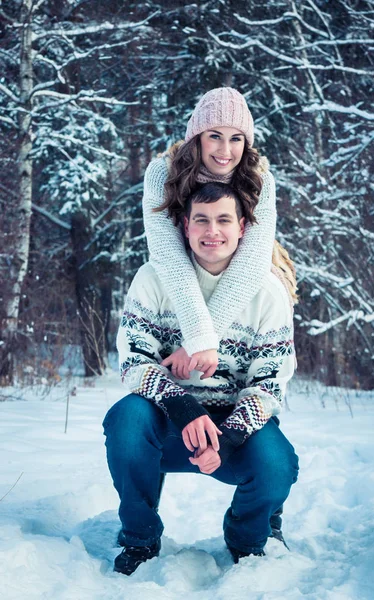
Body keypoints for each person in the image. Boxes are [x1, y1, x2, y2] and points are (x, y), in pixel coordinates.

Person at [103, 182, 299, 575]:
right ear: (184, 226)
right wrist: (185, 410)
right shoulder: (154, 278)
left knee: (279, 464)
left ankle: (247, 537)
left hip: (232, 427)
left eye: (224, 219)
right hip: (168, 421)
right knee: (126, 419)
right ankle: (139, 539)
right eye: (201, 220)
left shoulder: (267, 291)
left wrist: (226, 439)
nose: (213, 231)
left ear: (243, 227)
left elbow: (269, 385)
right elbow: (135, 361)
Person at [142, 87, 277, 381]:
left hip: (239, 268)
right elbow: (168, 254)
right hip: (186, 266)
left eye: (236, 138)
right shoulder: (162, 173)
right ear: (197, 138)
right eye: (215, 136)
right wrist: (199, 337)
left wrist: (197, 344)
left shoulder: (260, 180)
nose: (225, 150)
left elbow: (252, 264)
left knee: (272, 290)